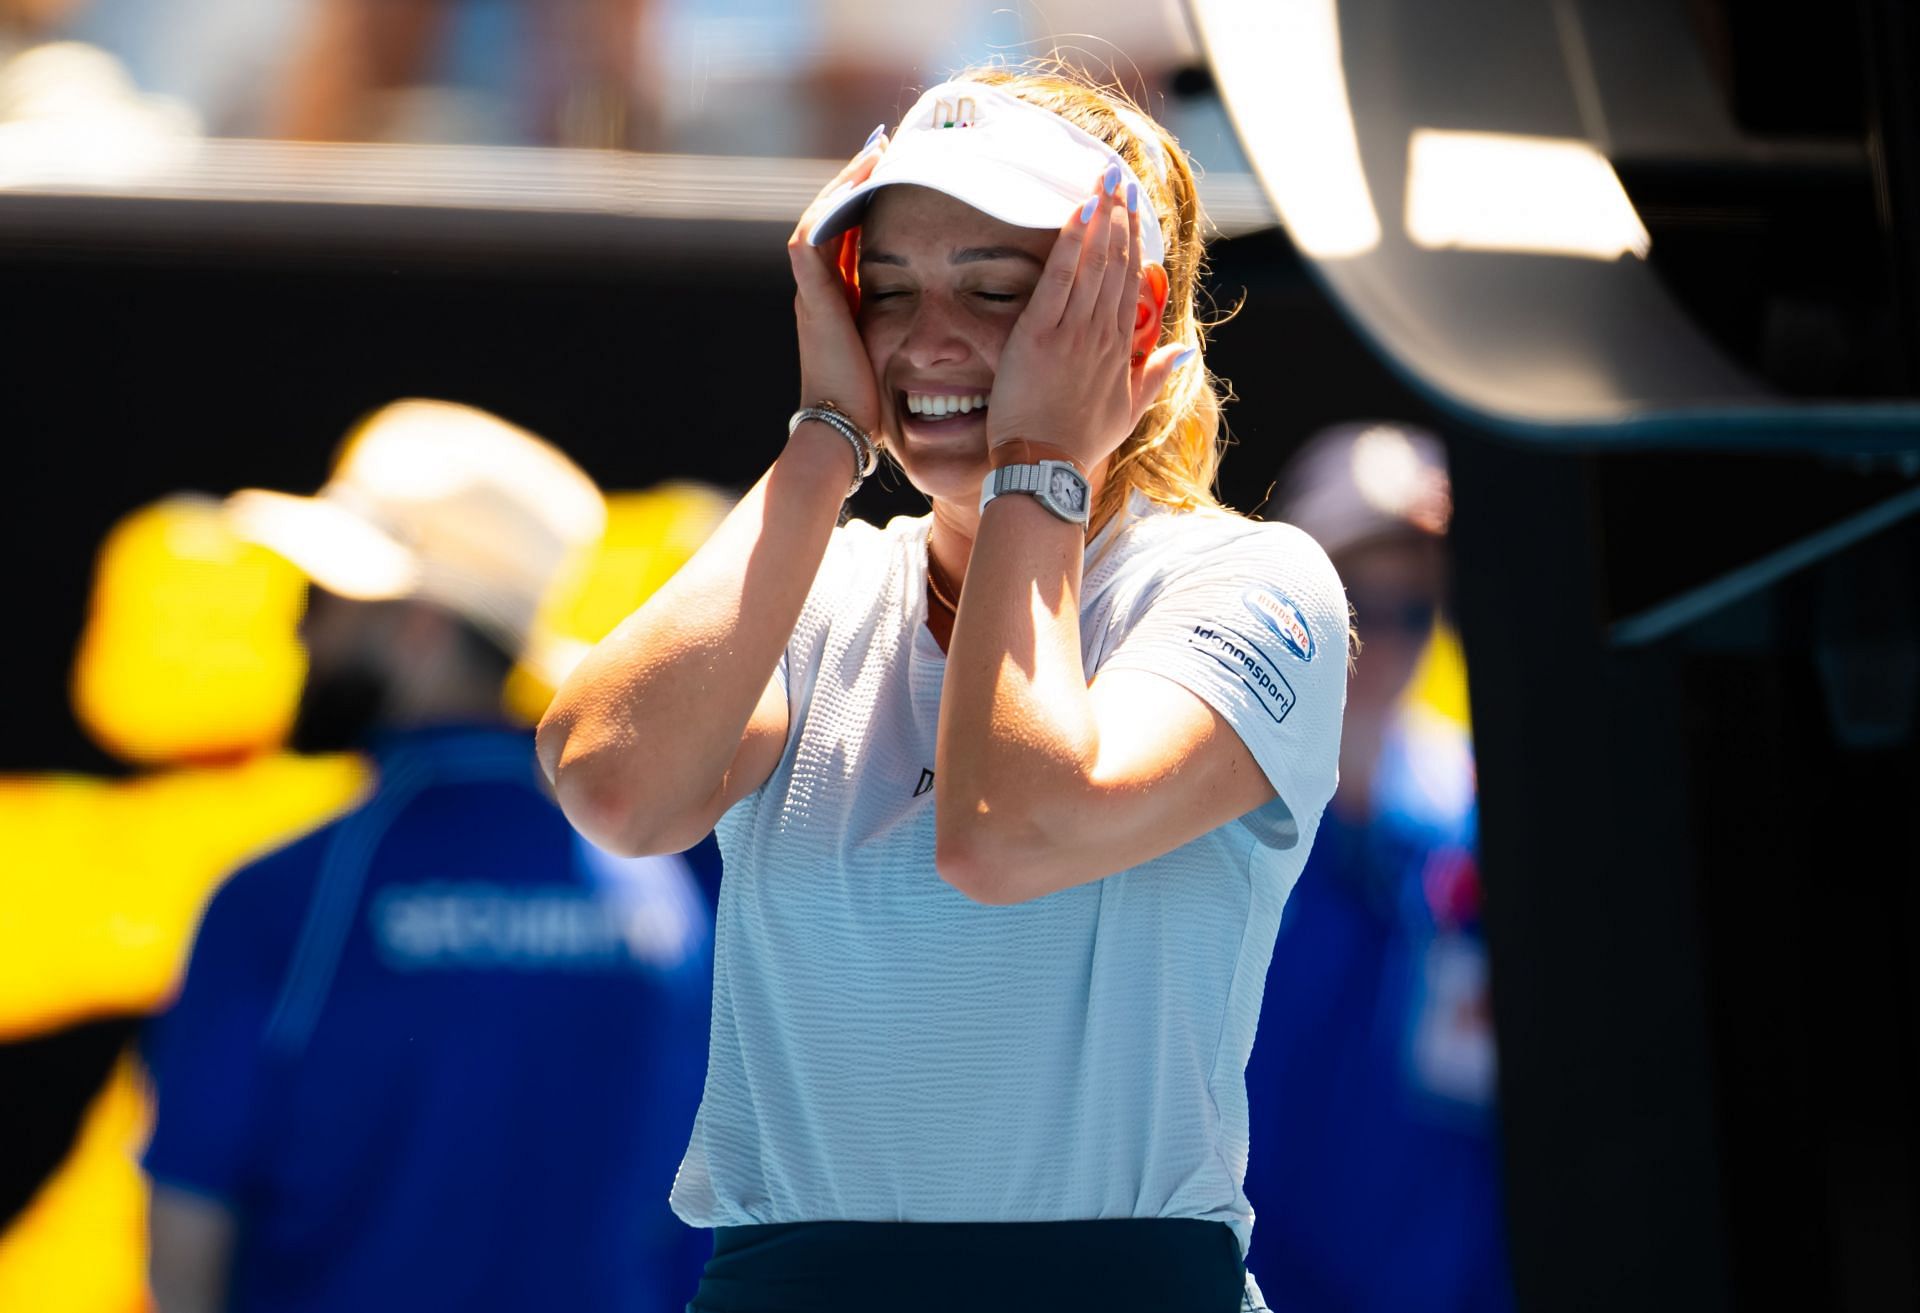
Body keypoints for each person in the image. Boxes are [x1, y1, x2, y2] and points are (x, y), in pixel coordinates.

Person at [537, 66, 1348, 1313]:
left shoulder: (1255, 583)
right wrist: (824, 441)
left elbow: (1008, 827)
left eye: (998, 291)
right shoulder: (815, 581)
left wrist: (1039, 467)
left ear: (1128, 322)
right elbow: (615, 789)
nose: (927, 344)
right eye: (891, 291)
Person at [142, 400, 714, 1313]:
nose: (301, 633)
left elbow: (184, 1249)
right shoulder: (676, 895)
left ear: (418, 628)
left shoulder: (285, 899)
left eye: (322, 600)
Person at [1241, 422, 1514, 1312]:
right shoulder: (1198, 839)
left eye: (1416, 607)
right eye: (1352, 605)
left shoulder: (1481, 827)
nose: (1383, 642)